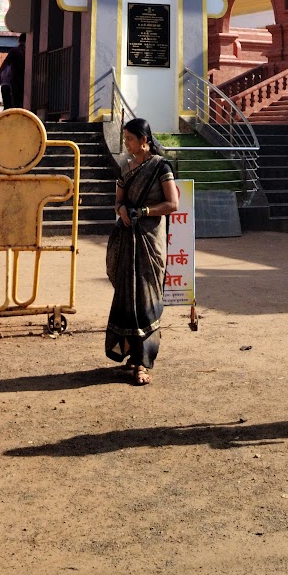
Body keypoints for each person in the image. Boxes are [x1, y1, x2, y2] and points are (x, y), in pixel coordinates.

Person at [105, 117, 179, 385]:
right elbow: (118, 201)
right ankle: (130, 355)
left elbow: (172, 203)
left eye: (130, 138)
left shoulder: (160, 167)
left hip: (150, 241)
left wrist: (145, 211)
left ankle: (143, 363)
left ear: (144, 140)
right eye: (124, 138)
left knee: (145, 301)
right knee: (127, 299)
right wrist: (122, 209)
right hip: (128, 239)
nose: (126, 143)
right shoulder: (126, 167)